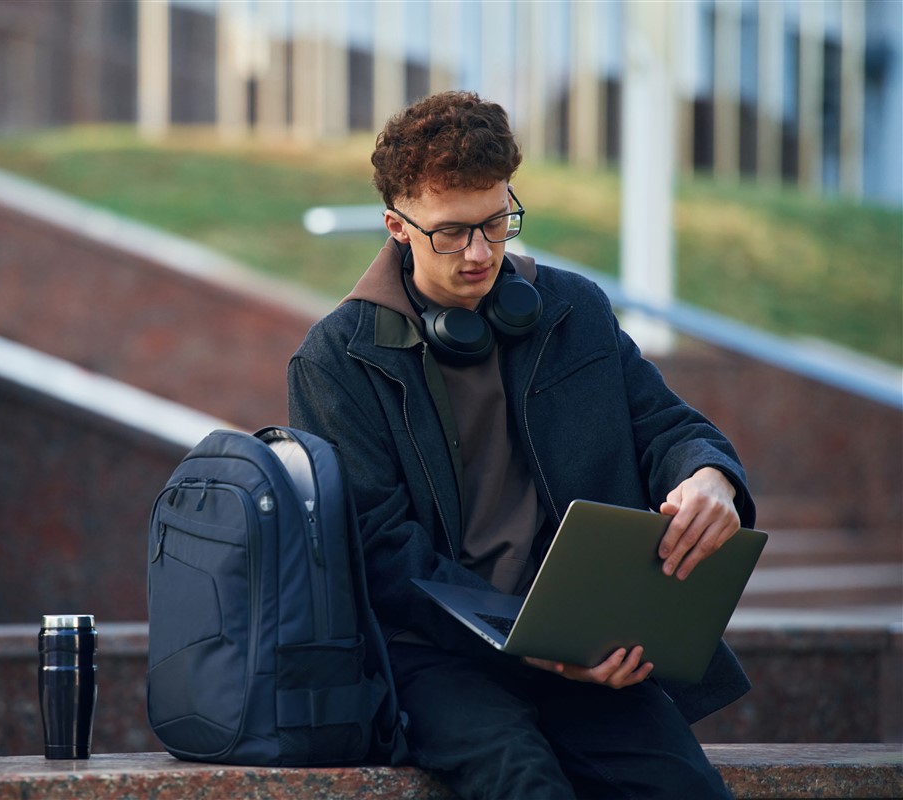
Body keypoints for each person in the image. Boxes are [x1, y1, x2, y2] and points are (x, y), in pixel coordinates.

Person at [287, 90, 756, 799]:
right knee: (522, 782)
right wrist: (535, 645)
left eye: (498, 222)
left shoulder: (574, 312)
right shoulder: (335, 361)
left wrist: (709, 476)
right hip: (435, 658)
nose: (481, 253)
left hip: (583, 643)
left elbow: (668, 427)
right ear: (396, 225)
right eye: (452, 232)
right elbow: (381, 553)